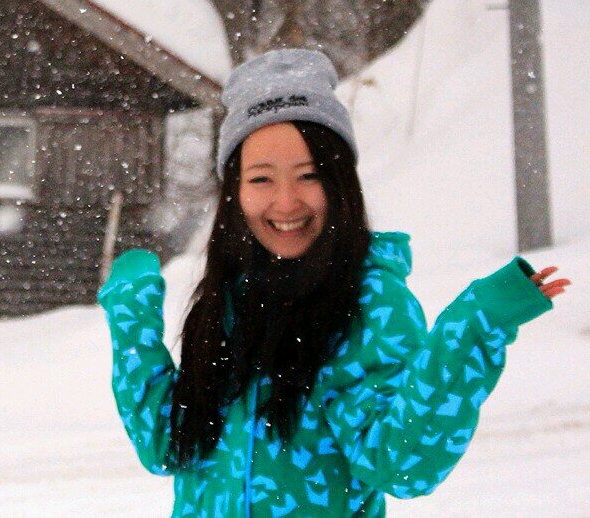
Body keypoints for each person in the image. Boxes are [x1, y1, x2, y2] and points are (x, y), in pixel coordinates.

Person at [98, 48, 570, 517]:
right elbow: (167, 444)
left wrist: (477, 324)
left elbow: (399, 464)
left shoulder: (371, 303)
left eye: (309, 176)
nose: (286, 202)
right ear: (234, 192)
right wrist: (131, 312)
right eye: (261, 179)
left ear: (340, 183)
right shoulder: (232, 299)